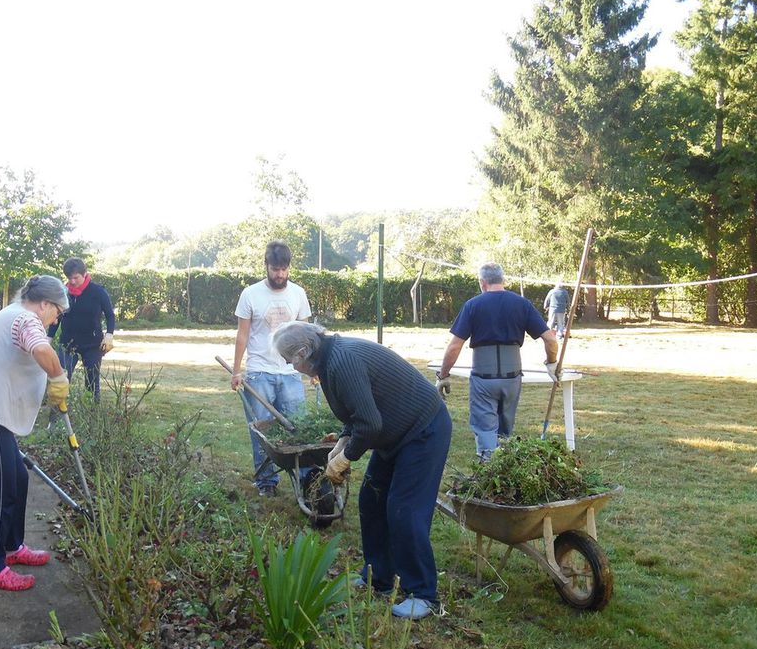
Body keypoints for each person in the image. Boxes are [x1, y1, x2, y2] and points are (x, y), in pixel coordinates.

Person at [273, 321, 451, 620]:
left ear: (304, 352)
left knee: (404, 510)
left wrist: (346, 458)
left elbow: (369, 425)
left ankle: (423, 593)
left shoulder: (342, 361)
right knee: (371, 500)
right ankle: (378, 577)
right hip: (395, 435)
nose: (291, 367)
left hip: (423, 430)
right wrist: (343, 440)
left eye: (289, 360)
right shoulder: (329, 360)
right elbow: (357, 411)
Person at [0, 275, 71, 592]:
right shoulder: (24, 319)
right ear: (44, 303)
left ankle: (11, 547)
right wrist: (58, 377)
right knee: (1, 488)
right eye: (57, 311)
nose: (55, 319)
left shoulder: (9, 315)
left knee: (16, 477)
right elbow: (40, 349)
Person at [437, 263, 559, 461]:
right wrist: (551, 363)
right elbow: (551, 340)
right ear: (503, 280)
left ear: (482, 282)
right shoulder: (522, 304)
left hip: (483, 378)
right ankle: (504, 471)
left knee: (486, 431)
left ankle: (489, 475)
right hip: (512, 379)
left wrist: (443, 375)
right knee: (505, 432)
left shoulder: (473, 305)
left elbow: (454, 346)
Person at [230, 241, 312, 497]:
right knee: (261, 432)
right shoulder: (251, 294)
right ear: (266, 265)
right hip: (259, 372)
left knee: (298, 429)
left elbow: (306, 335)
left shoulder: (298, 293)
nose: (280, 274)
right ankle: (266, 483)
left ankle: (306, 481)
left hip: (290, 374)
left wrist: (311, 368)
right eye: (275, 269)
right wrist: (236, 371)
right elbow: (242, 335)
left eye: (284, 269)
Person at [48, 257, 116, 403]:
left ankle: (92, 416)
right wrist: (49, 338)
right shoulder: (64, 293)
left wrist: (109, 335)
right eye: (69, 278)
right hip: (68, 343)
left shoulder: (98, 292)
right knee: (61, 379)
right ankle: (55, 418)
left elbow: (110, 315)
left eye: (76, 277)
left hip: (92, 344)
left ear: (84, 274)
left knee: (92, 380)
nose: (72, 282)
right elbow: (56, 317)